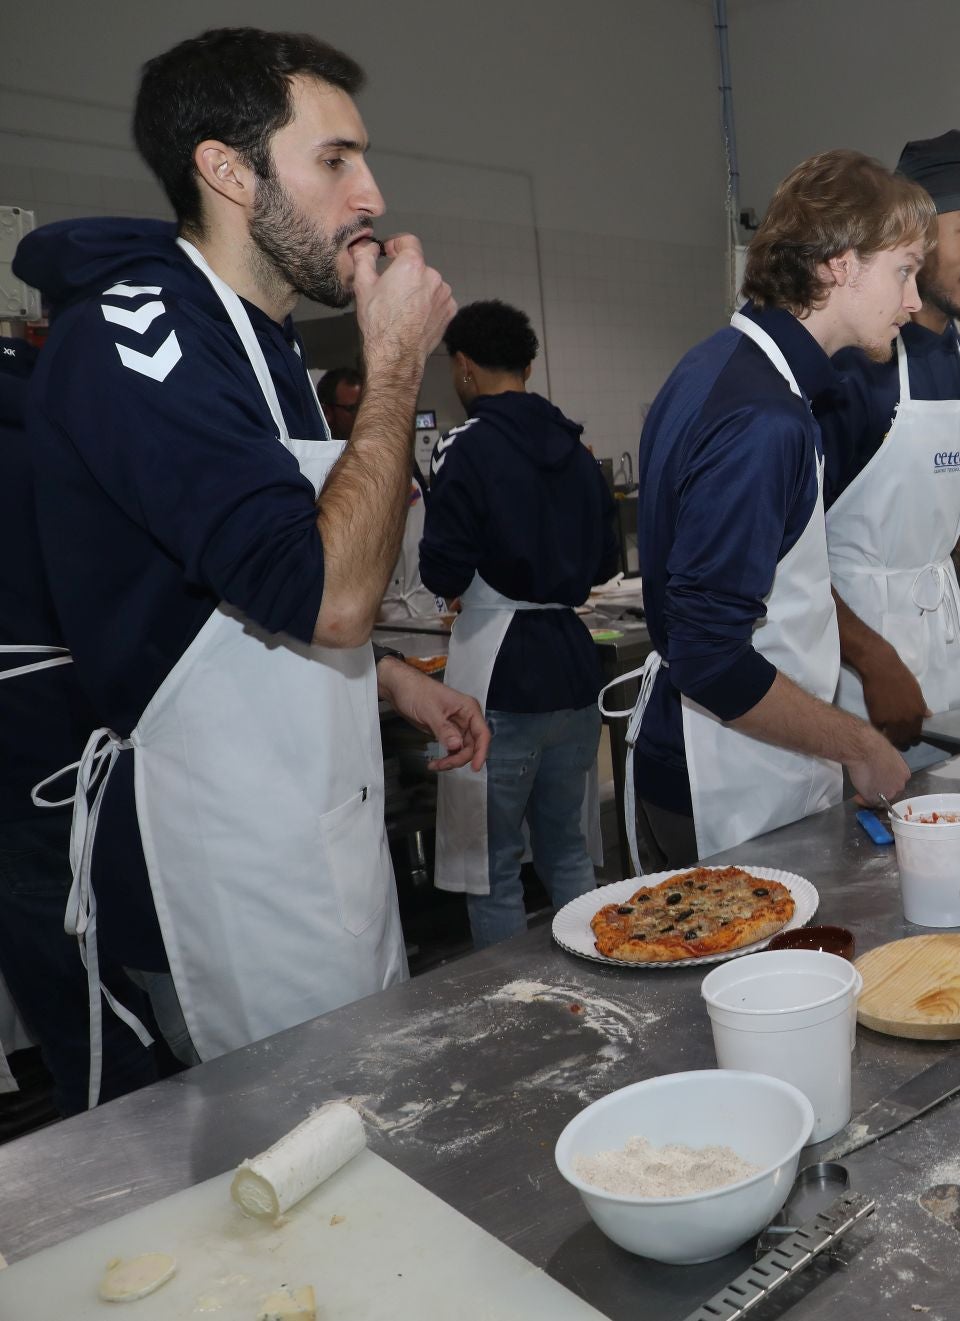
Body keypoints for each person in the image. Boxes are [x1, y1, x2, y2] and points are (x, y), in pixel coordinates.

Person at [13, 27, 491, 1083]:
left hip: (325, 829)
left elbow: (233, 582)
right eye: (334, 160)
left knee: (375, 1142)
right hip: (224, 870)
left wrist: (394, 689)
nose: (370, 194)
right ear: (226, 170)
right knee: (293, 1182)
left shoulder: (266, 342)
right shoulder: (140, 338)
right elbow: (325, 598)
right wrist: (397, 363)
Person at [616, 149, 919, 869]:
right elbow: (708, 655)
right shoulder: (764, 417)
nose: (913, 300)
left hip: (745, 764)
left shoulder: (719, 364)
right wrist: (860, 742)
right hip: (726, 781)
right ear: (841, 265)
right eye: (904, 271)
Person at [818, 130, 960, 760]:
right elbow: (790, 559)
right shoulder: (858, 365)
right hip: (851, 674)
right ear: (914, 232)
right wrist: (874, 661)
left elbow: (953, 530)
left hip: (942, 659)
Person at [420, 300, 619, 947]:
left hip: (497, 674)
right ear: (529, 366)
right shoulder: (577, 447)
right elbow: (606, 560)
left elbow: (441, 569)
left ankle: (512, 1014)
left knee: (493, 866)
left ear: (464, 367)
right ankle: (598, 975)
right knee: (566, 848)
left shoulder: (465, 447)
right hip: (571, 660)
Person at [0, 336, 161, 1114]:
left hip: (22, 734)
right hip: (90, 712)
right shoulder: (64, 418)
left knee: (68, 971)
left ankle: (129, 1146)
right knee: (98, 943)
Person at [322, 366, 439, 621]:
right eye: (353, 410)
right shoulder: (325, 471)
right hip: (366, 616)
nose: (365, 417)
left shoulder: (399, 457)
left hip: (422, 605)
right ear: (328, 412)